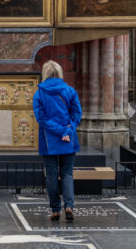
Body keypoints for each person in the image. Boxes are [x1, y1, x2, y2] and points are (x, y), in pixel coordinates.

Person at [32, 61, 82, 222]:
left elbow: (42, 119)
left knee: (52, 175)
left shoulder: (39, 94)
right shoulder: (70, 90)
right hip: (68, 138)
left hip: (49, 140)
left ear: (45, 74)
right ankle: (69, 206)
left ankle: (55, 209)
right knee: (67, 174)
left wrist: (60, 131)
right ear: (60, 73)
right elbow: (77, 114)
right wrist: (67, 131)